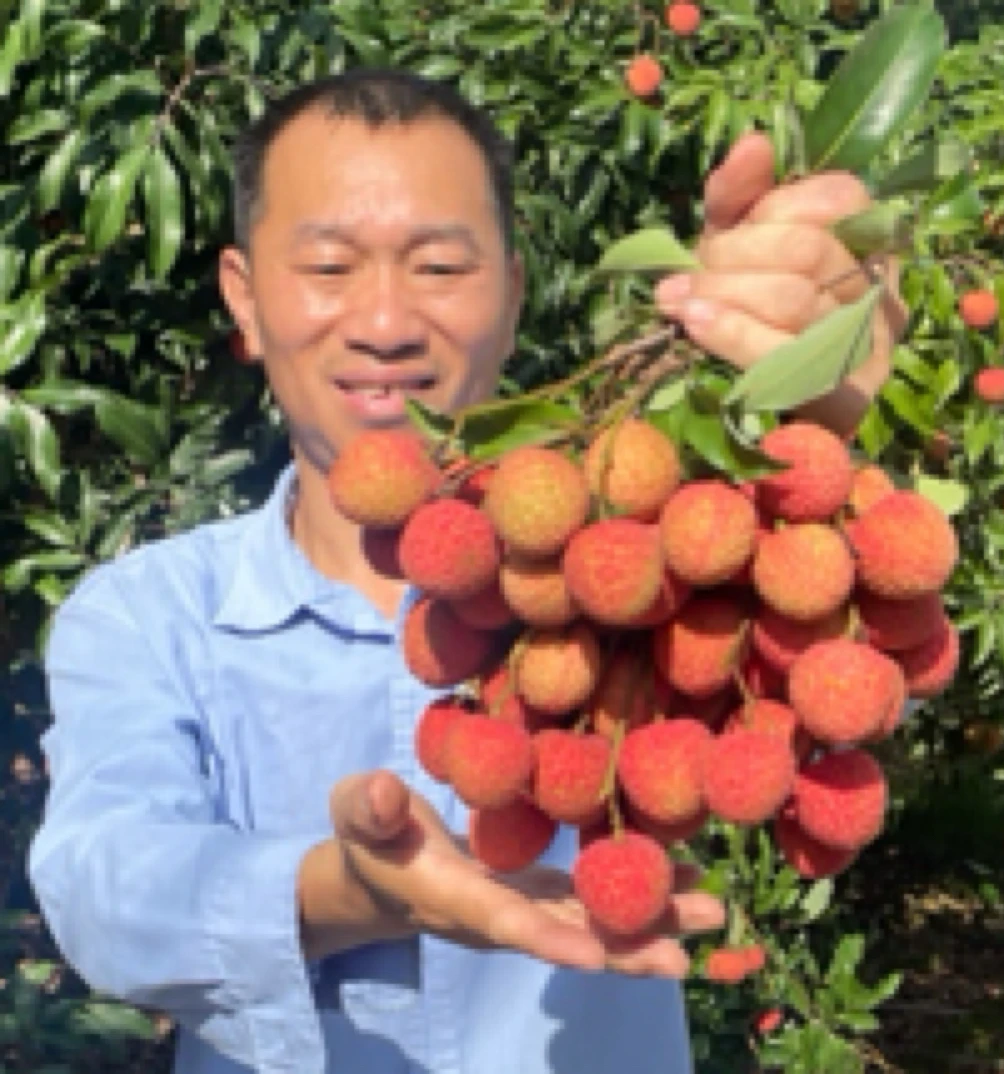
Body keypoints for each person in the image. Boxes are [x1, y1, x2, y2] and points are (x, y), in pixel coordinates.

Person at [27, 68, 902, 1074]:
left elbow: (846, 691)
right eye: (329, 265)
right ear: (245, 298)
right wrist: (349, 892)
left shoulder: (641, 564)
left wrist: (804, 426)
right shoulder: (146, 614)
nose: (386, 322)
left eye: (440, 266)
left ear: (514, 293)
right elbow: (106, 889)